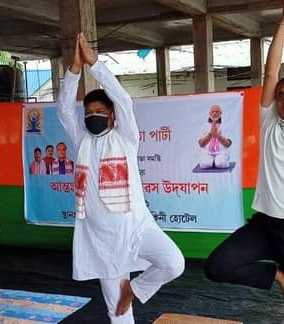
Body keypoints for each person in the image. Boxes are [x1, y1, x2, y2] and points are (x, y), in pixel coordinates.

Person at [204, 1, 284, 323]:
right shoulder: (269, 122)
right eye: (281, 95)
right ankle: (275, 274)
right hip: (266, 225)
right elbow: (271, 72)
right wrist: (280, 26)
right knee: (217, 266)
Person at [58, 33, 184, 324]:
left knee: (174, 262)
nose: (93, 116)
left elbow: (124, 100)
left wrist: (95, 65)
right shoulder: (81, 141)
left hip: (137, 229)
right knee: (118, 315)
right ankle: (125, 297)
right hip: (101, 241)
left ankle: (135, 289)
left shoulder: (126, 138)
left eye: (101, 112)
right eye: (89, 112)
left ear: (113, 116)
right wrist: (74, 70)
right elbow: (64, 109)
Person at [198, 105, 232, 169]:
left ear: (220, 113)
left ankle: (216, 161)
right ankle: (212, 161)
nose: (214, 113)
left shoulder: (226, 125)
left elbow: (227, 144)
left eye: (217, 112)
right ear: (209, 113)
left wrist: (218, 136)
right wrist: (210, 134)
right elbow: (201, 144)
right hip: (207, 152)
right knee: (204, 165)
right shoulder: (204, 126)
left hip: (221, 152)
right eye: (212, 112)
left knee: (220, 163)